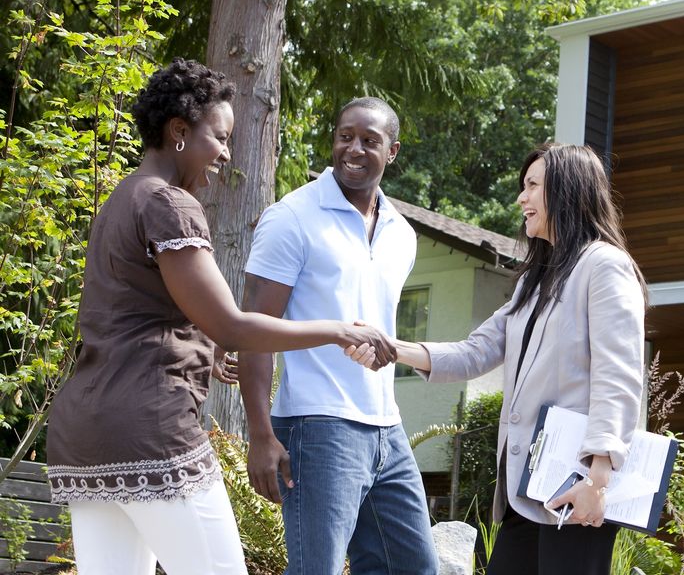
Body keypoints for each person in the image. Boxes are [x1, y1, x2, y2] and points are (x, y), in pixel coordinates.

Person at [44, 58, 396, 575]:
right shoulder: (170, 205)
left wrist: (199, 347)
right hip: (149, 429)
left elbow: (131, 313)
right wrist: (339, 329)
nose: (227, 154)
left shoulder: (123, 197)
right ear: (179, 131)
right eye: (220, 137)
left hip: (84, 433)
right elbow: (232, 325)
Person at [350, 142, 647, 575]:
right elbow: (475, 352)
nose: (521, 199)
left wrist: (597, 480)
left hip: (577, 487)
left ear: (567, 191)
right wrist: (391, 348)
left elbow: (617, 377)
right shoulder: (536, 281)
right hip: (526, 490)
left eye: (532, 186)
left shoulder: (604, 266)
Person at [237, 96, 438, 575]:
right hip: (316, 425)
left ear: (392, 152)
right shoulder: (292, 218)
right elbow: (253, 333)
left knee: (412, 567)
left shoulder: (402, 234)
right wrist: (261, 434)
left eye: (370, 140)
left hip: (387, 428)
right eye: (345, 136)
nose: (353, 148)